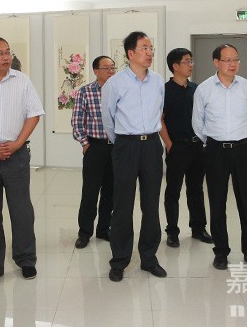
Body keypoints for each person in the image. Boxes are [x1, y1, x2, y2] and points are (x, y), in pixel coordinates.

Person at [101, 31, 166, 282]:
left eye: (151, 48)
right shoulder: (115, 83)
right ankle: (119, 260)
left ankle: (149, 258)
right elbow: (108, 119)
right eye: (144, 48)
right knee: (122, 205)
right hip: (125, 146)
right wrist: (122, 142)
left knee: (151, 204)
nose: (149, 53)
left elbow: (159, 111)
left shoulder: (158, 81)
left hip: (152, 146)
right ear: (130, 53)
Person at [192, 44, 247, 271]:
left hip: (243, 149)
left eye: (236, 60)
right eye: (228, 60)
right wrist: (214, 142)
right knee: (217, 202)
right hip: (215, 151)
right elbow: (198, 123)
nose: (233, 64)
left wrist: (239, 138)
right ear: (216, 62)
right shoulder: (204, 89)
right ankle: (221, 252)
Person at [0, 36, 44, 282]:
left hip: (16, 155)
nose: (6, 57)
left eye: (8, 52)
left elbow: (34, 114)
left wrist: (17, 143)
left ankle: (26, 259)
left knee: (21, 210)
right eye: (0, 53)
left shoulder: (22, 80)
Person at [158, 48, 212, 248]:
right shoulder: (165, 90)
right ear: (175, 66)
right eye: (187, 61)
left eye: (191, 61)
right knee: (173, 190)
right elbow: (160, 119)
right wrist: (169, 144)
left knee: (196, 189)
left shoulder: (196, 89)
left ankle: (198, 228)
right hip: (177, 147)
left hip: (198, 146)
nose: (191, 65)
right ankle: (172, 231)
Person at [71, 55, 116, 249]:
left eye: (113, 67)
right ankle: (84, 232)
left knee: (111, 191)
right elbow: (77, 121)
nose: (111, 71)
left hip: (116, 148)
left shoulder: (119, 90)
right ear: (96, 71)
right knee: (90, 191)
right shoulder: (85, 92)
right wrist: (85, 143)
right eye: (106, 68)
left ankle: (104, 229)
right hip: (95, 147)